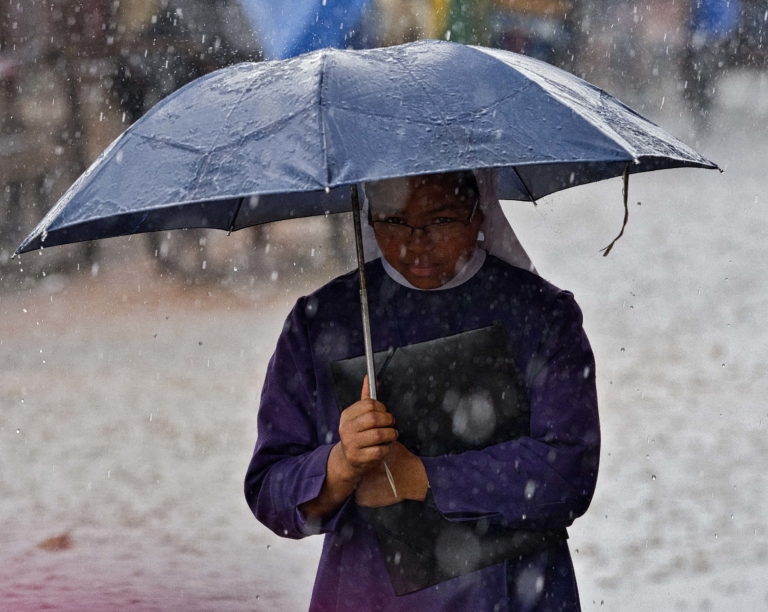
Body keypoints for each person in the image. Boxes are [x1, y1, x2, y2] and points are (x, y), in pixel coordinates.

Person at [244, 169, 600, 611]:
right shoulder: (320, 322)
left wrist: (422, 477)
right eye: (394, 221)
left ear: (480, 213)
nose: (417, 244)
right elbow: (268, 488)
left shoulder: (543, 315)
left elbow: (568, 474)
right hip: (367, 593)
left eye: (441, 220)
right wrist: (339, 466)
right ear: (369, 216)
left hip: (516, 592)